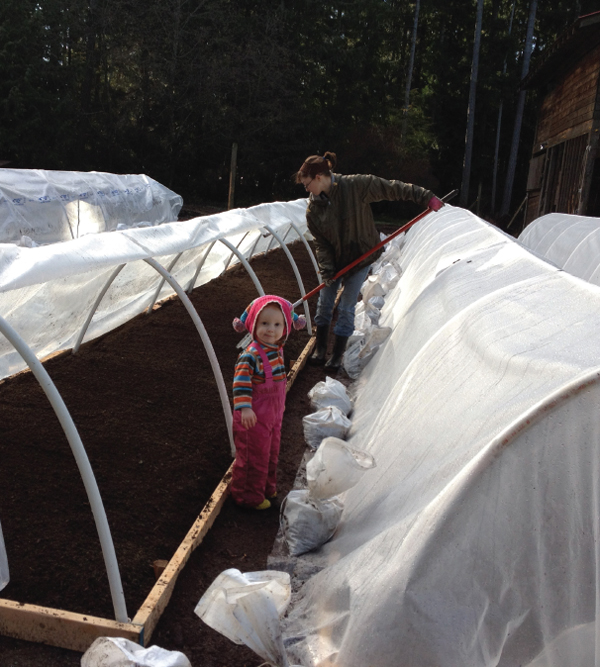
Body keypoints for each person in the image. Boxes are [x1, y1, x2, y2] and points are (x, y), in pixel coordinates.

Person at [296, 151, 443, 369]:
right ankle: (319, 350)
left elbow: (391, 187)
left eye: (307, 184)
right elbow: (322, 244)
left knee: (346, 307)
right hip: (335, 263)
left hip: (360, 258)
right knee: (324, 305)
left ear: (319, 177)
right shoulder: (313, 210)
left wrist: (425, 197)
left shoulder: (355, 186)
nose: (306, 190)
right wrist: (327, 269)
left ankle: (336, 355)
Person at [230, 295, 306, 510]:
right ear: (254, 324)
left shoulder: (276, 351)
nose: (270, 329)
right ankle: (247, 496)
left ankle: (266, 487)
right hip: (252, 418)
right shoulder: (251, 355)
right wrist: (244, 407)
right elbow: (241, 382)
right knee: (253, 456)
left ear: (285, 328)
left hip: (272, 416)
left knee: (270, 452)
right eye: (264, 323)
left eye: (277, 324)